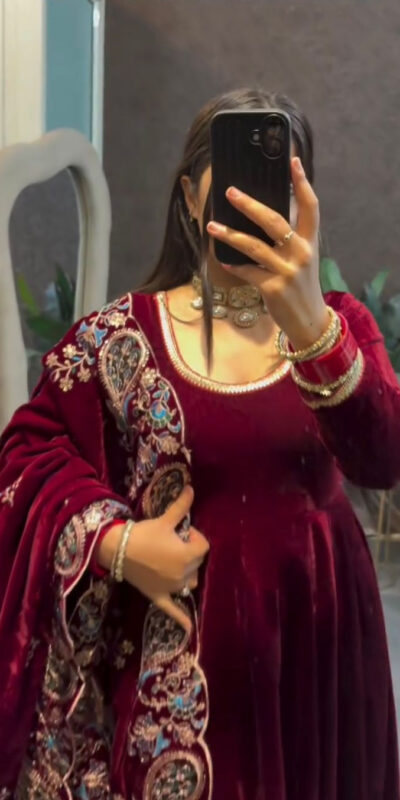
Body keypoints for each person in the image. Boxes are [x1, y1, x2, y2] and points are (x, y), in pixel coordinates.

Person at [0, 88, 399, 800]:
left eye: (275, 192)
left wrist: (311, 326)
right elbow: (26, 453)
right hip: (177, 679)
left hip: (321, 652)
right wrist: (119, 544)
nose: (253, 208)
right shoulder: (122, 338)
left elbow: (383, 457)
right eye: (233, 188)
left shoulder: (341, 327)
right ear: (190, 198)